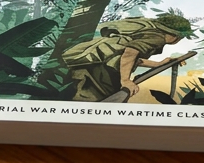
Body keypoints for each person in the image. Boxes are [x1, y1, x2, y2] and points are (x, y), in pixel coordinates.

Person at [61, 12, 194, 102]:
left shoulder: (148, 30)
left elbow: (129, 57)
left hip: (92, 65)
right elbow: (129, 54)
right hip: (101, 70)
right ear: (175, 35)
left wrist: (158, 64)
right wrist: (125, 81)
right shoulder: (157, 37)